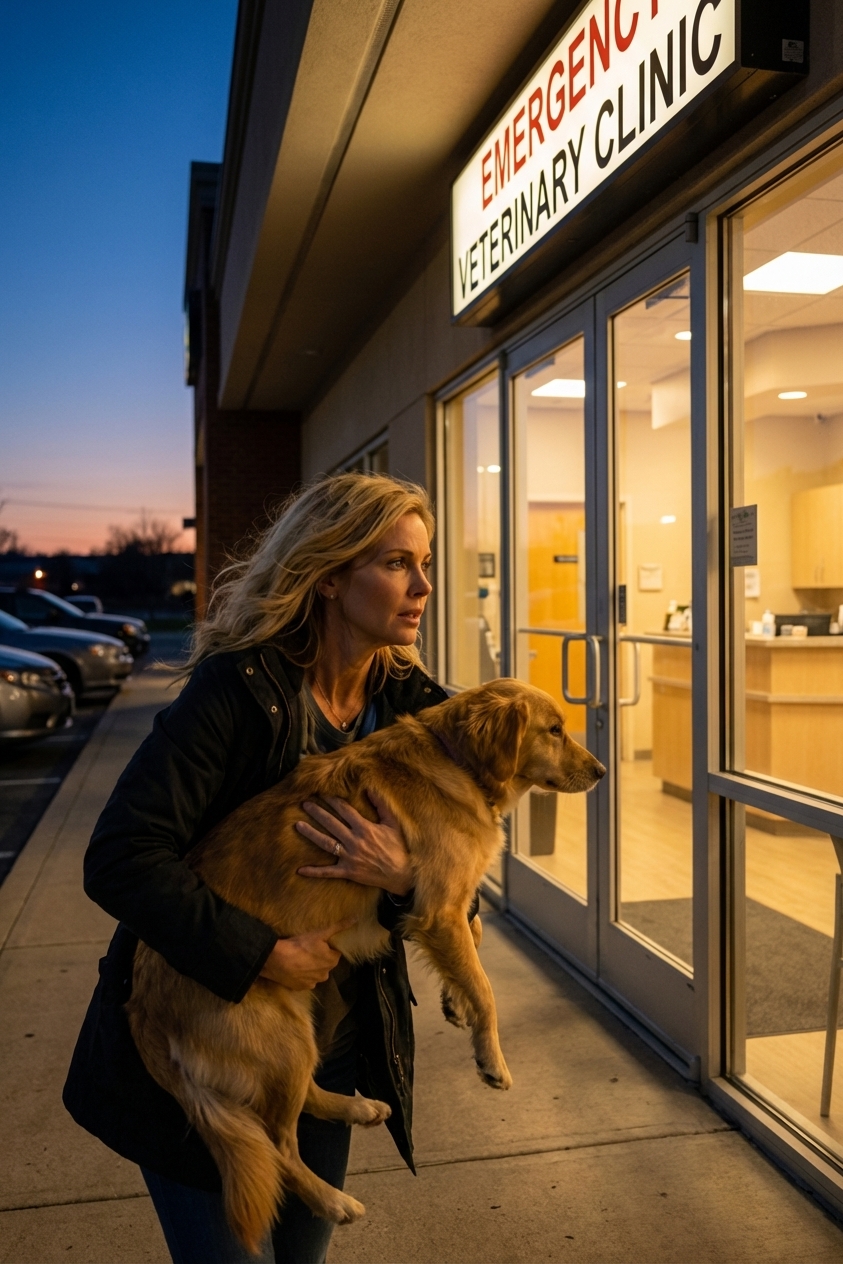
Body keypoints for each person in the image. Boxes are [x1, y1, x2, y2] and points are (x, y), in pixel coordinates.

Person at [63, 472, 450, 1264]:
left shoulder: (417, 708)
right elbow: (120, 858)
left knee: (299, 1256)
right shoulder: (238, 693)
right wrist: (261, 952)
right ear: (331, 574)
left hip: (320, 1046)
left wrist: (402, 876)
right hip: (201, 1038)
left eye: (425, 563)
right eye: (397, 564)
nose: (423, 587)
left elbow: (457, 896)